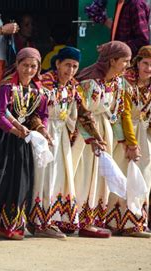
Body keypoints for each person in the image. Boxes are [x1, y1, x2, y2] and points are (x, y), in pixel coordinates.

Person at [30, 47, 105, 238]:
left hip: (62, 137)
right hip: (44, 135)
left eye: (74, 66)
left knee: (60, 178)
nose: (70, 70)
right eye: (67, 65)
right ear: (57, 64)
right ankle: (40, 223)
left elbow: (83, 114)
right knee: (45, 177)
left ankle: (55, 220)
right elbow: (33, 112)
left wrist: (96, 137)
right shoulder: (44, 83)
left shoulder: (72, 86)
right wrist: (42, 131)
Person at [75, 41, 142, 238]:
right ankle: (81, 221)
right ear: (112, 60)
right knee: (87, 176)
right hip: (86, 136)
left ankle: (93, 220)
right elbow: (80, 113)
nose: (127, 66)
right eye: (124, 61)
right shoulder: (90, 82)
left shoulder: (119, 83)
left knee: (101, 178)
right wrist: (93, 138)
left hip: (105, 133)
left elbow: (118, 114)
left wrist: (125, 143)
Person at [0, 47, 51, 240]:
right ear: (17, 64)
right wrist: (15, 130)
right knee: (5, 181)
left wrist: (42, 130)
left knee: (23, 182)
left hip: (25, 141)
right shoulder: (8, 87)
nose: (29, 70)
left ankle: (14, 225)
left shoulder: (38, 91)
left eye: (33, 66)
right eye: (25, 65)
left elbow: (40, 115)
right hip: (6, 140)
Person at [110, 45, 151, 237]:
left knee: (144, 175)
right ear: (137, 62)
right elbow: (124, 113)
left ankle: (136, 222)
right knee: (121, 174)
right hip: (125, 134)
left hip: (146, 136)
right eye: (145, 63)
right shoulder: (125, 82)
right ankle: (115, 221)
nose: (149, 69)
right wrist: (131, 143)